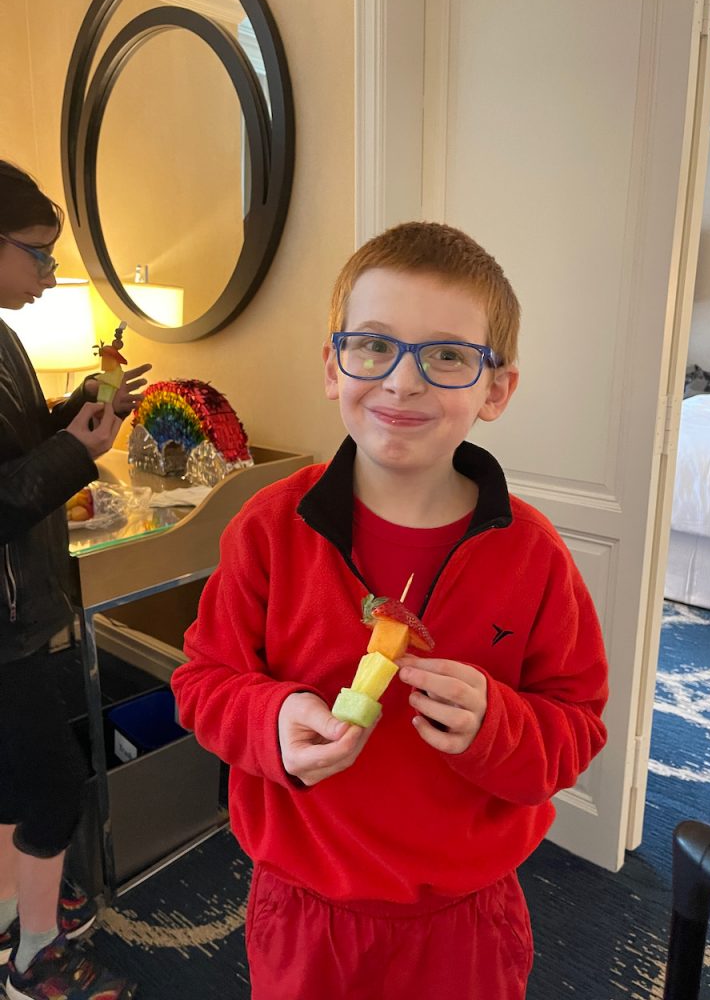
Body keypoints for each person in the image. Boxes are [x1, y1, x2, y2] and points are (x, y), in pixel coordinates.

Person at [171, 221, 610, 1000]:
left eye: (447, 356)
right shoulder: (269, 531)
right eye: (373, 347)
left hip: (464, 920)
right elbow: (204, 682)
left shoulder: (535, 556)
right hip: (306, 909)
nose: (403, 382)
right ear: (334, 369)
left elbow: (576, 728)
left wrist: (499, 726)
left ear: (496, 389)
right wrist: (270, 720)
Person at [0, 160, 148, 1000]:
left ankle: (9, 917)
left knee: (9, 779)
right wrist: (77, 451)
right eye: (36, 254)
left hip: (15, 607)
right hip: (3, 624)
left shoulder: (5, 336)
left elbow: (17, 445)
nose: (51, 275)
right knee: (55, 786)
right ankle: (36, 961)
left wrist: (77, 419)